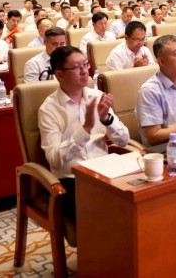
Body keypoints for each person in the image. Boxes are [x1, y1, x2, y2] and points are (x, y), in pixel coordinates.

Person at [39, 45, 129, 221]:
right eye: (76, 67)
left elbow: (124, 140)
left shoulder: (97, 97)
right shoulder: (49, 109)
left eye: (85, 65)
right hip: (72, 180)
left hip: (105, 172)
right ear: (59, 75)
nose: (84, 71)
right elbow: (55, 159)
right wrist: (86, 128)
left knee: (142, 196)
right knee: (111, 213)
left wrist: (106, 120)